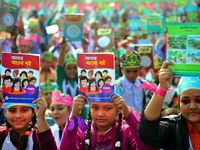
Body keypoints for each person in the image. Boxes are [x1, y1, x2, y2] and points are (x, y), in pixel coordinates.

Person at [137, 61, 200, 150]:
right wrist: (162, 88)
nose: (192, 106)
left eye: (198, 100)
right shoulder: (173, 128)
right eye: (186, 101)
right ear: (178, 104)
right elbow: (147, 133)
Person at [58, 94, 156, 150]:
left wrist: (128, 113)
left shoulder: (127, 132)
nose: (100, 114)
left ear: (118, 110)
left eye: (107, 108)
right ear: (90, 109)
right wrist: (73, 116)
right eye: (95, 108)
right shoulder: (82, 131)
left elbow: (147, 147)